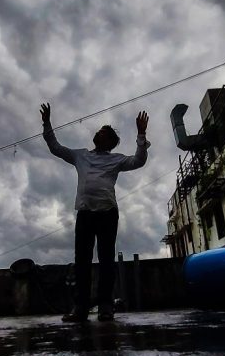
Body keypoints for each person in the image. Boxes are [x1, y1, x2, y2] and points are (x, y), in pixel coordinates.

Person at [40, 102, 150, 322]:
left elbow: (139, 161)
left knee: (107, 260)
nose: (98, 134)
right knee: (82, 261)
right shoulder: (81, 155)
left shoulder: (116, 158)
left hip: (108, 213)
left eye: (102, 133)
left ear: (109, 141)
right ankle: (80, 308)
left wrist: (141, 134)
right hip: (85, 213)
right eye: (98, 131)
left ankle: (106, 307)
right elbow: (56, 148)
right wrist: (47, 123)